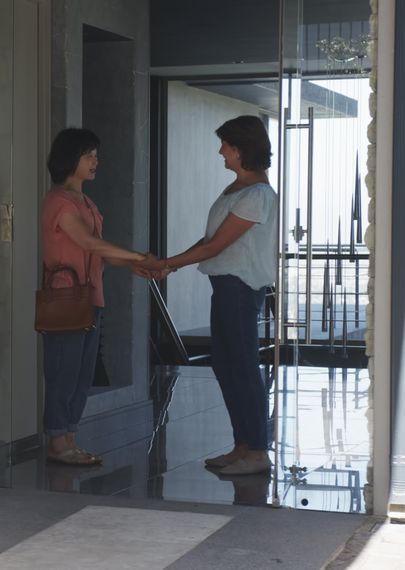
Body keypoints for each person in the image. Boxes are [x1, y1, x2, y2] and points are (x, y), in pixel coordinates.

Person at [139, 115, 278, 476]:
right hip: (225, 286)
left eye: (226, 146)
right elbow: (211, 240)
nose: (221, 152)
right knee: (227, 366)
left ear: (241, 148)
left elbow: (217, 245)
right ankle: (243, 445)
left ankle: (258, 451)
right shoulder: (236, 190)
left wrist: (169, 263)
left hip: (240, 289)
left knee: (243, 367)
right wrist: (172, 265)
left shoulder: (257, 195)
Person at [40, 128, 153, 466]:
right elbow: (89, 244)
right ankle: (57, 441)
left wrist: (135, 264)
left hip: (91, 298)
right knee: (64, 369)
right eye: (88, 155)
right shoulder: (58, 201)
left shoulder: (86, 201)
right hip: (65, 300)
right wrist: (137, 257)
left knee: (82, 373)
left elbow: (99, 252)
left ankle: (70, 438)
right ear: (69, 158)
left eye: (95, 156)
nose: (95, 162)